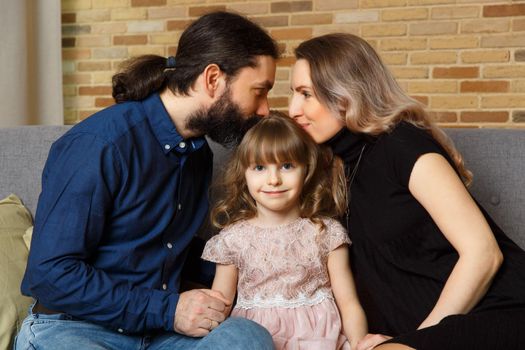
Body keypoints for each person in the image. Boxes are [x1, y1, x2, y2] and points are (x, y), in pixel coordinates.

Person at [16, 11, 279, 350]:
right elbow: (50, 274)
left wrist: (264, 266)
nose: (264, 110)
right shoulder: (100, 144)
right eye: (259, 91)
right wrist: (170, 310)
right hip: (74, 329)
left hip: (156, 334)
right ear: (213, 78)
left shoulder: (198, 153)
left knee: (247, 337)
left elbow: (166, 249)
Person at [288, 32, 525, 350]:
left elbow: (483, 253)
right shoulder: (335, 166)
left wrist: (418, 340)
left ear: (345, 93)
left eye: (306, 94)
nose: (293, 109)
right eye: (293, 93)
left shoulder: (402, 143)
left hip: (500, 311)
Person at [201, 113, 368, 349]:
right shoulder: (232, 240)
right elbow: (219, 308)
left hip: (321, 340)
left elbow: (349, 303)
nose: (273, 180)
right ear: (244, 173)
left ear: (306, 169)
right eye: (259, 167)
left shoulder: (325, 233)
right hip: (258, 341)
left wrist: (360, 344)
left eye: (287, 166)